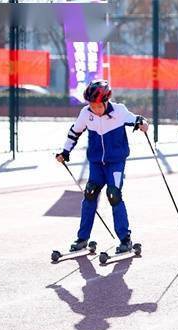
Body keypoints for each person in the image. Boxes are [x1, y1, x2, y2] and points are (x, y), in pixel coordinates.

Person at [56, 79, 149, 253]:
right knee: (90, 193)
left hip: (116, 163)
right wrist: (65, 152)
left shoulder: (119, 111)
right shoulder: (86, 113)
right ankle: (82, 238)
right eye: (92, 105)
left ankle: (125, 239)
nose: (96, 110)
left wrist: (143, 124)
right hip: (96, 163)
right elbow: (74, 132)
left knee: (113, 195)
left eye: (99, 106)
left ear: (107, 101)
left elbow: (137, 120)